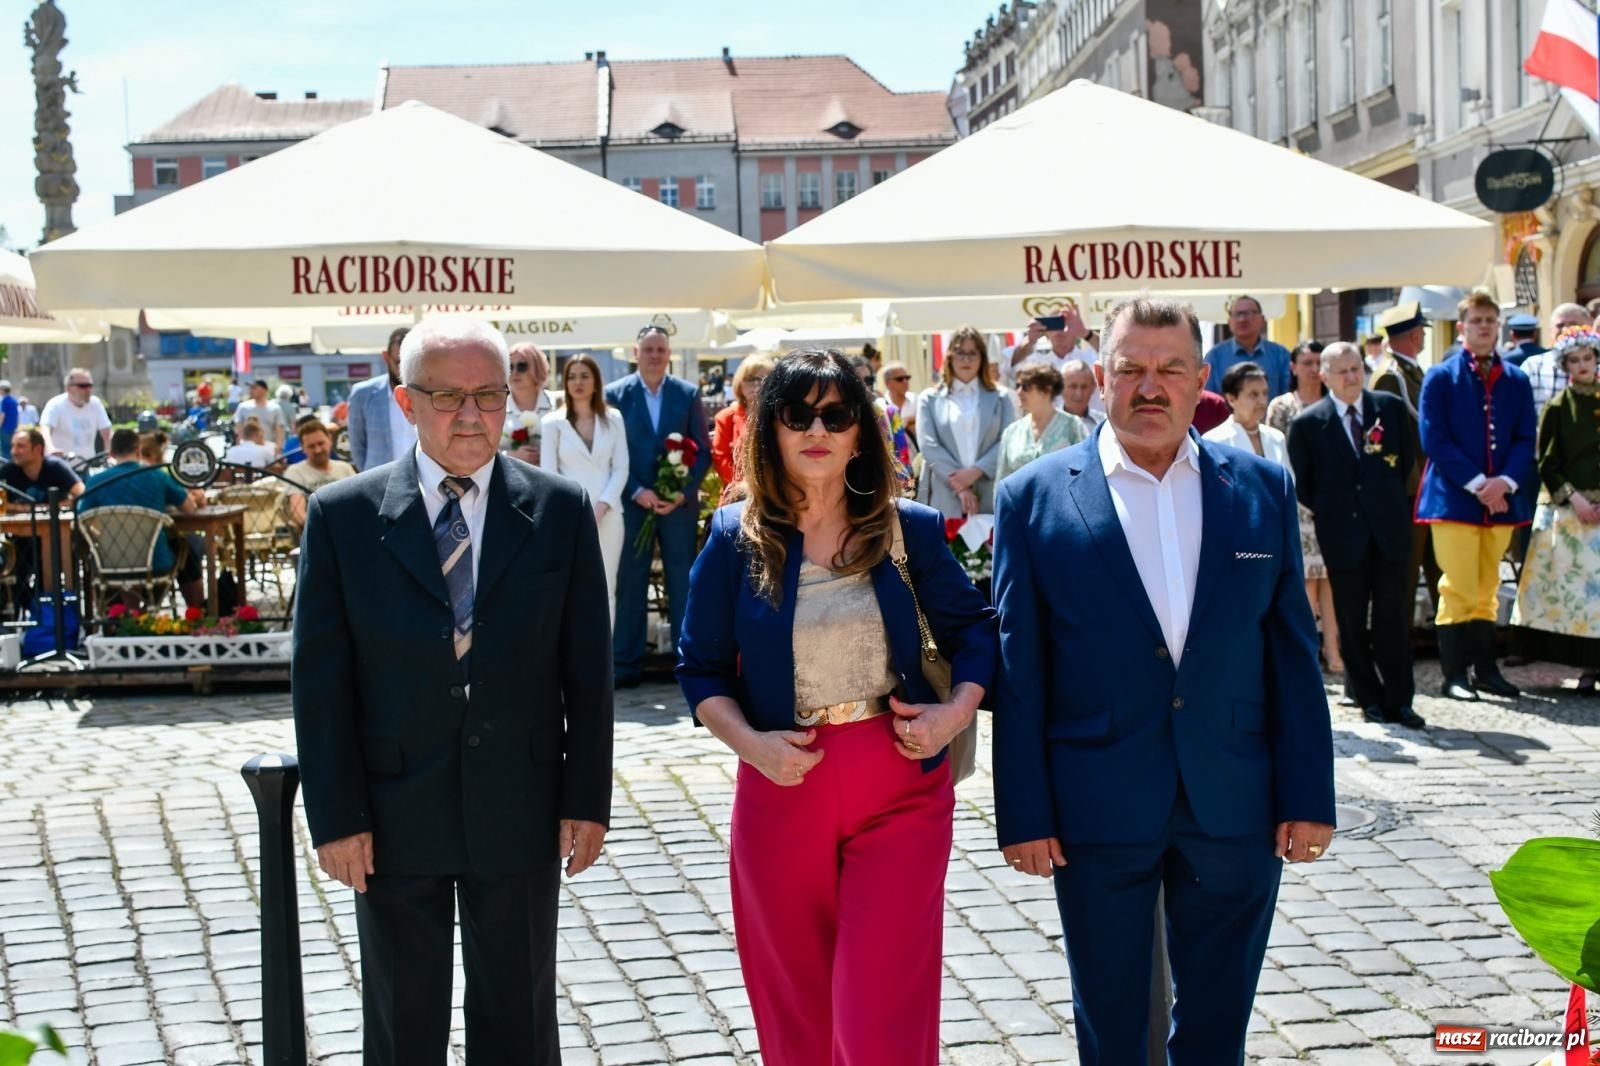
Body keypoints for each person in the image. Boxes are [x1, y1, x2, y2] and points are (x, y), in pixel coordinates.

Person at [992, 296, 1334, 1066]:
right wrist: (1024, 809)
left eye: (1169, 369)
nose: (1150, 387)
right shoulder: (1034, 499)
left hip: (1235, 799)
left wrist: (1308, 795)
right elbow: (1020, 671)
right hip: (1094, 805)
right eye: (1131, 369)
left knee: (1218, 1031)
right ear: (1099, 376)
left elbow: (1291, 655)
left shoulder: (1260, 489)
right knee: (1112, 1029)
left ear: (1200, 379)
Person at [293, 314, 613, 1066]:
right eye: (446, 397)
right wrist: (335, 816)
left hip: (522, 803)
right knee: (404, 1023)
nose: (471, 415)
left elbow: (588, 671)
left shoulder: (558, 508)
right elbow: (320, 678)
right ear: (405, 403)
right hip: (394, 809)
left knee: (519, 1019)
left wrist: (585, 798)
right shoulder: (343, 517)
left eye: (490, 395)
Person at [676, 348, 997, 1066]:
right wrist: (753, 746)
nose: (816, 429)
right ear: (771, 430)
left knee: (878, 1009)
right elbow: (699, 670)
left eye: (836, 413)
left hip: (900, 783)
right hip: (781, 784)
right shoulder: (734, 539)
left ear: (860, 431)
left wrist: (955, 714)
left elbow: (976, 632)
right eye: (797, 414)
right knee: (796, 1011)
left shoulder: (906, 528)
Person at [1287, 343, 1421, 727]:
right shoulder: (1309, 423)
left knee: (1392, 618)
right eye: (1342, 370)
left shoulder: (1389, 409)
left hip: (1389, 531)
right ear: (1324, 376)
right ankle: (1367, 697)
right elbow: (1305, 486)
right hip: (1343, 534)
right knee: (1351, 618)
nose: (1351, 377)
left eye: (1356, 368)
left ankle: (1401, 699)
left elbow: (1404, 464)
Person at [1418, 288, 1538, 701]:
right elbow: (1434, 438)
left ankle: (1486, 670)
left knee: (1488, 589)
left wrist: (1504, 482)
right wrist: (1478, 484)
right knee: (1457, 586)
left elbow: (1526, 437)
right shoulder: (1440, 376)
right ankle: (1454, 675)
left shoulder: (1517, 379)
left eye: (1490, 321)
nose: (1484, 327)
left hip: (1502, 500)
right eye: (1477, 321)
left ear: (1498, 327)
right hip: (1454, 499)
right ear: (1463, 327)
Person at [605, 324, 712, 688]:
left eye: (660, 350)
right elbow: (611, 451)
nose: (654, 356)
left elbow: (702, 449)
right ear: (636, 352)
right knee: (630, 583)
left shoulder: (687, 393)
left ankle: (689, 667)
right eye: (648, 349)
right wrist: (637, 490)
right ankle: (625, 665)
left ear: (669, 354)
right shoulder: (615, 395)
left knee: (683, 583)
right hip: (632, 503)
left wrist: (682, 492)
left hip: (678, 506)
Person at [1512, 327, 1600, 691]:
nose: (1583, 365)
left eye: (1588, 359)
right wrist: (1574, 497)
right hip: (1573, 513)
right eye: (1575, 360)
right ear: (1566, 365)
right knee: (1582, 595)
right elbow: (1547, 463)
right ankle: (1587, 667)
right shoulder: (1557, 407)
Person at [541, 353, 629, 628]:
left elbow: (621, 468)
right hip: (568, 519)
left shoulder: (613, 418)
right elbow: (549, 473)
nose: (577, 382)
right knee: (570, 589)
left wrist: (602, 506)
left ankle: (605, 664)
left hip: (609, 515)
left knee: (607, 588)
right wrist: (573, 511)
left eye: (584, 376)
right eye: (572, 376)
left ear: (596, 381)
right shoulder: (552, 423)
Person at [1267, 341, 1339, 670]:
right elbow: (1276, 454)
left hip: (1331, 501)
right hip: (1297, 501)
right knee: (1308, 579)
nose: (1312, 368)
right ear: (1293, 367)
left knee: (1333, 580)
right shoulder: (1282, 406)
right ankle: (1308, 651)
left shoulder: (1334, 403)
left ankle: (1335, 651)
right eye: (1306, 362)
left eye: (1317, 362)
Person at [78, 428, 205, 607]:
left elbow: (81, 520)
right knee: (186, 548)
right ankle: (197, 611)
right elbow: (189, 508)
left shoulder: (95, 482)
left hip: (109, 562)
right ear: (138, 451)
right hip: (155, 560)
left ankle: (114, 618)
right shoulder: (158, 476)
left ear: (111, 453)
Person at [1371, 301, 1441, 625]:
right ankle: (1399, 645)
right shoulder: (1391, 377)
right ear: (1415, 335)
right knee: (1406, 573)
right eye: (1421, 332)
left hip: (1425, 487)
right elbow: (1383, 438)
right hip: (1409, 490)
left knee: (1436, 565)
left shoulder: (1410, 371)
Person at [917, 327, 1014, 517]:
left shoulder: (1001, 397)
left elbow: (1008, 440)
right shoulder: (929, 398)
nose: (966, 360)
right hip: (945, 496)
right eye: (960, 353)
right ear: (950, 357)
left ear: (982, 358)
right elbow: (928, 446)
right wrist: (960, 485)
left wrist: (977, 471)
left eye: (973, 353)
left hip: (990, 493)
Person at [996, 363, 1089, 482]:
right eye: (1017, 386)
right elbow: (1002, 479)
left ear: (1047, 390)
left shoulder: (1072, 426)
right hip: (1021, 500)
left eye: (1026, 386)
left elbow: (1085, 470)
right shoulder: (1012, 432)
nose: (1019, 392)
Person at [346, 327, 416, 471]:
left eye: (409, 363)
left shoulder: (430, 393)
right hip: (379, 483)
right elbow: (357, 446)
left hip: (423, 483)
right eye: (398, 362)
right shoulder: (363, 394)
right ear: (386, 357)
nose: (404, 370)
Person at [1203, 295, 1292, 398]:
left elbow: (1289, 396)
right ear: (1229, 321)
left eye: (1248, 313)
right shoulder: (1214, 357)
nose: (1242, 319)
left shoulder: (1280, 355)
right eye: (1237, 314)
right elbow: (1207, 398)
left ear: (1262, 319)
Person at [1201, 362, 1289, 465]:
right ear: (1231, 399)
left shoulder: (1277, 438)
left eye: (1265, 393)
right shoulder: (1214, 440)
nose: (1262, 401)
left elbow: (1288, 478)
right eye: (1253, 394)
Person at [279, 419, 356, 530]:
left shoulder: (345, 468)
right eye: (311, 446)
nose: (317, 450)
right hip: (315, 533)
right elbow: (297, 512)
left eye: (321, 443)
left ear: (330, 441)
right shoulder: (295, 471)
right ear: (303, 448)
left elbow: (358, 503)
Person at [710, 356, 774, 490]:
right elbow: (721, 459)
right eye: (751, 379)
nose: (757, 384)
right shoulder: (726, 418)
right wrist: (749, 487)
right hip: (737, 495)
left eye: (764, 379)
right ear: (740, 383)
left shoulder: (782, 417)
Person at [1521, 303, 1594, 412]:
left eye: (1573, 324)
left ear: (1588, 329)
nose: (1565, 329)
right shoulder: (1533, 366)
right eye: (1560, 325)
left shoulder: (1597, 366)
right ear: (1550, 331)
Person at [39, 367, 112, 460]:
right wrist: (50, 448)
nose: (88, 389)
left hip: (87, 463)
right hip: (62, 465)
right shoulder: (56, 404)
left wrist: (109, 453)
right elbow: (45, 429)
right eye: (83, 386)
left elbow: (107, 432)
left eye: (90, 385)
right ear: (69, 388)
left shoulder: (95, 404)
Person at [504, 342, 557, 465]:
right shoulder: (495, 408)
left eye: (522, 366)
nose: (515, 372)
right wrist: (512, 456)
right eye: (510, 367)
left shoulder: (556, 404)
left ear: (537, 368)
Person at [233, 380, 286, 455]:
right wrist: (239, 445)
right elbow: (239, 428)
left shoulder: (275, 408)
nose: (251, 390)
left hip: (268, 449)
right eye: (250, 388)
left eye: (254, 388)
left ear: (264, 390)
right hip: (247, 450)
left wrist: (279, 447)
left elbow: (279, 430)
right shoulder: (243, 407)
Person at [1061, 359, 1105, 426]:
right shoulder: (1048, 424)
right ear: (1061, 387)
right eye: (1073, 386)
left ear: (1093, 388)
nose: (1079, 394)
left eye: (1084, 387)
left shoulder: (1103, 424)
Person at [0, 381, 17, 462]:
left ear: (3, 389)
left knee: (5, 451)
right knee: (12, 448)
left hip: (5, 428)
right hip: (13, 429)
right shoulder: (14, 400)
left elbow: (2, 415)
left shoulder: (4, 400)